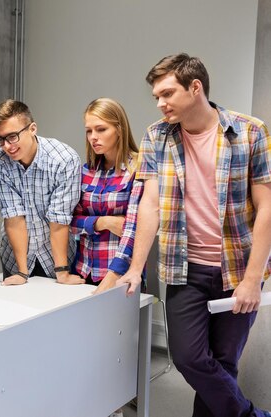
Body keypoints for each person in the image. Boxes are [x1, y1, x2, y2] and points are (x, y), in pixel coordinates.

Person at [118, 53, 271, 417]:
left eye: (167, 93)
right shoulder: (156, 136)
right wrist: (136, 267)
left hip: (238, 270)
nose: (160, 103)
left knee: (223, 362)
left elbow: (267, 208)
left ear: (195, 87)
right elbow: (150, 205)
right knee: (189, 358)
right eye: (157, 96)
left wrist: (252, 279)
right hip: (184, 268)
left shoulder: (251, 131)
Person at [0, 99, 83, 286]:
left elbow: (59, 219)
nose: (7, 146)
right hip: (16, 258)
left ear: (32, 129)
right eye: (0, 139)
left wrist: (62, 272)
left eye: (12, 136)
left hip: (57, 256)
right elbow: (13, 217)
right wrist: (22, 273)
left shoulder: (64, 160)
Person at [70, 98, 144, 295]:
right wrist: (104, 222)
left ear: (119, 129)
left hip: (122, 275)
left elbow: (135, 229)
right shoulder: (85, 171)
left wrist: (114, 274)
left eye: (101, 129)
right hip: (83, 271)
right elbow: (70, 221)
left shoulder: (138, 168)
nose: (93, 137)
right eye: (89, 130)